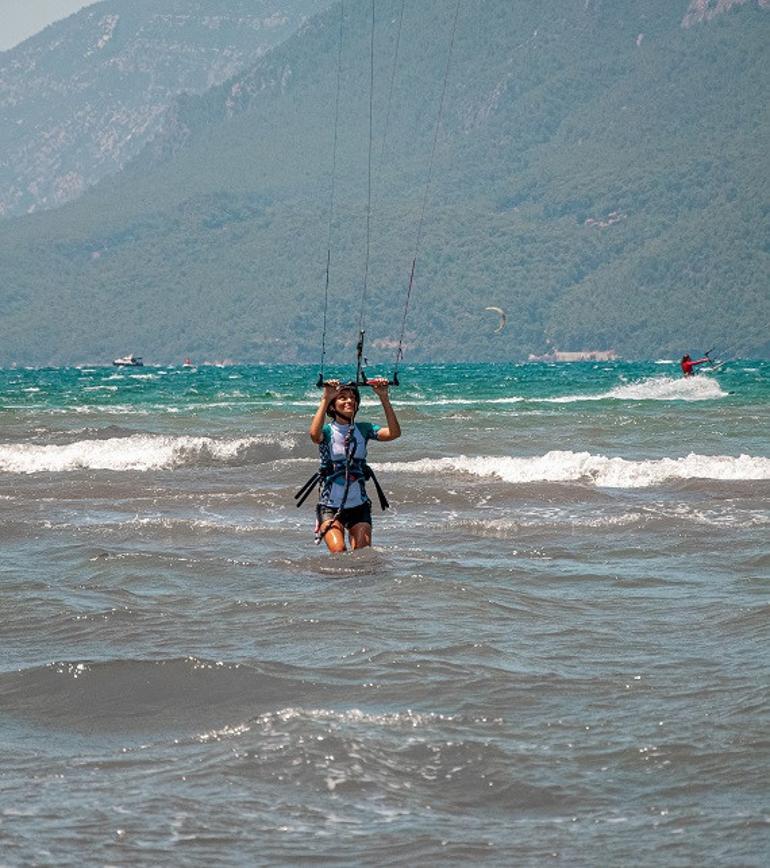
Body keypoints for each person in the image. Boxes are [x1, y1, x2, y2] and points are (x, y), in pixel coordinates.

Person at [308, 378, 401, 553]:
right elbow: (314, 435)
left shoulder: (364, 429)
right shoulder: (327, 431)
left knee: (362, 555)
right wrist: (325, 398)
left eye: (352, 398)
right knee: (338, 551)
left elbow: (394, 433)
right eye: (342, 397)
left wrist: (384, 398)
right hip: (330, 505)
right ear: (333, 406)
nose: (349, 401)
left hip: (359, 505)